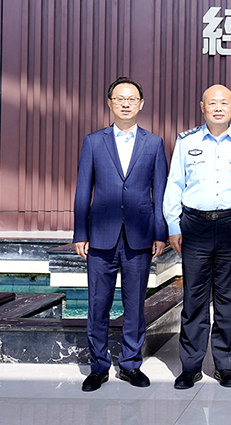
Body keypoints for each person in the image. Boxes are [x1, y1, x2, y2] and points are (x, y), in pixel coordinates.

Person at [73, 76, 168, 392]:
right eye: (119, 98)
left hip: (139, 237)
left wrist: (160, 234)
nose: (125, 103)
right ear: (110, 103)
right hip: (100, 236)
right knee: (97, 304)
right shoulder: (93, 142)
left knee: (135, 304)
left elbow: (160, 192)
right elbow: (83, 190)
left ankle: (130, 364)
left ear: (141, 104)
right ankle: (98, 367)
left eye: (131, 98)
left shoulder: (154, 144)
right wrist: (80, 233)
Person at [163, 84, 231, 390]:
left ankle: (225, 365)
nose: (218, 108)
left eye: (223, 103)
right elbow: (174, 184)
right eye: (212, 103)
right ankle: (190, 366)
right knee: (194, 299)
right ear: (202, 107)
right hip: (195, 225)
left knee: (229, 299)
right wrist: (173, 225)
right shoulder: (186, 141)